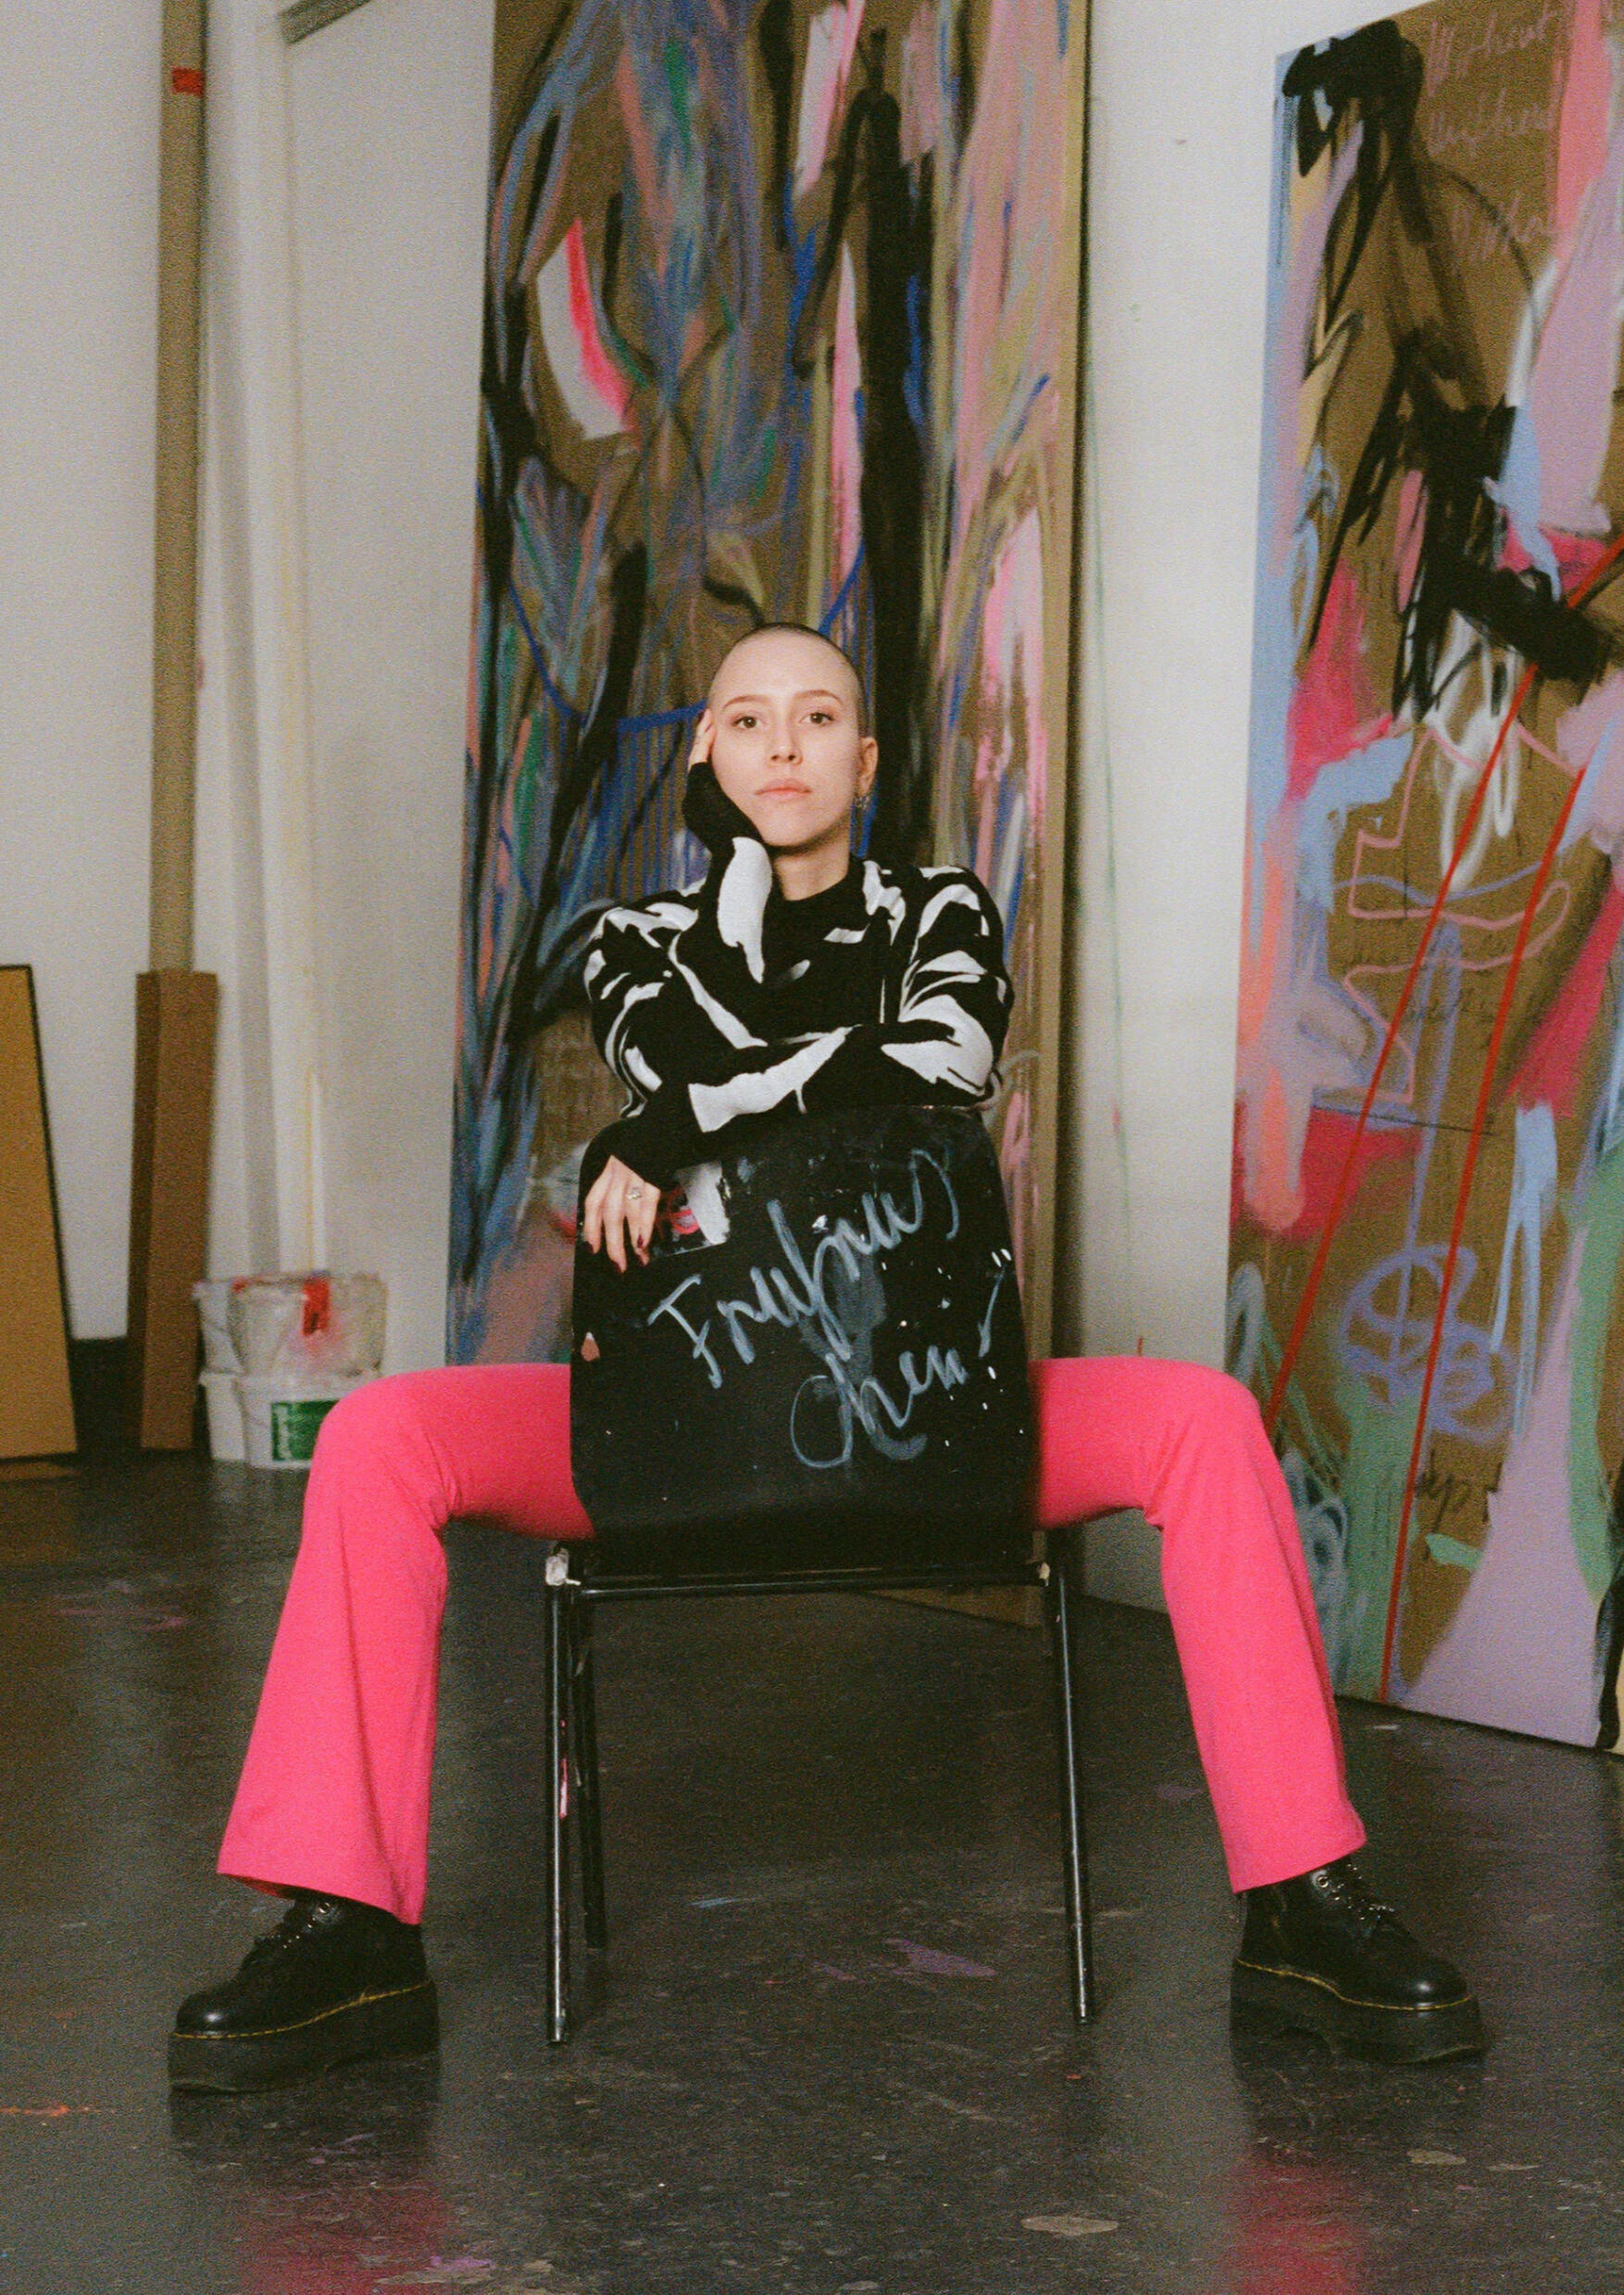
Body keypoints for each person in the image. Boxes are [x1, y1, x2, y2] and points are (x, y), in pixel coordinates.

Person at [170, 625, 1483, 2091]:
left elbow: (940, 1067)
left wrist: (673, 1125)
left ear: (863, 761)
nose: (783, 745)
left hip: (935, 1408)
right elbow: (707, 1057)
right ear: (712, 758)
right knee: (375, 1438)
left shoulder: (945, 913)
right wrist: (700, 1092)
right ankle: (346, 1926)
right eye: (747, 720)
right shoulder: (638, 944)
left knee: (1205, 1418)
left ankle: (1303, 1903)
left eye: (817, 719)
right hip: (673, 1412)